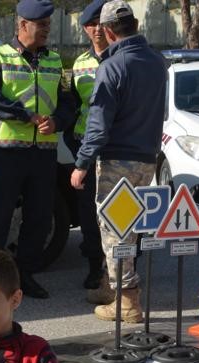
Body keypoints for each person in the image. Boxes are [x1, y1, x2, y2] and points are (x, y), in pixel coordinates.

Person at [69, 0, 166, 323]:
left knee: (115, 231)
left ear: (108, 31)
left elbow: (98, 125)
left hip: (118, 162)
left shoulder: (112, 66)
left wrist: (81, 163)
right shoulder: (156, 62)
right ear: (135, 25)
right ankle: (114, 287)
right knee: (130, 228)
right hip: (146, 160)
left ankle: (127, 301)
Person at [0, 0, 74, 300]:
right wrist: (25, 116)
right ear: (22, 26)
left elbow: (68, 103)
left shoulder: (55, 61)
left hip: (44, 152)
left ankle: (25, 276)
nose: (46, 30)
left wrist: (57, 121)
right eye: (41, 25)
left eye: (48, 24)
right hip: (10, 151)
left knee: (40, 217)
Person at [66, 0, 112, 303]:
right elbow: (73, 106)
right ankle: (96, 265)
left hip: (116, 149)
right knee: (88, 211)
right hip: (85, 148)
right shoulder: (79, 64)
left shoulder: (121, 57)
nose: (96, 29)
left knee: (117, 211)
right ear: (85, 29)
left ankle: (118, 269)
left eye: (100, 23)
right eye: (90, 25)